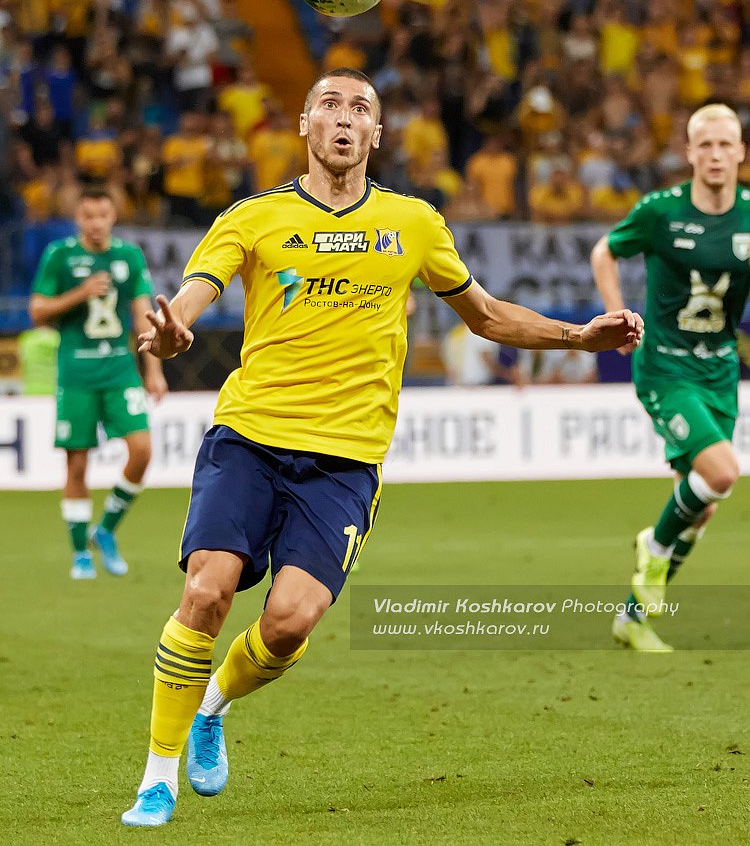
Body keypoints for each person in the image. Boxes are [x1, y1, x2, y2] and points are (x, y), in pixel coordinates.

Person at [122, 68, 643, 827]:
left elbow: (487, 315)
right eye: (329, 105)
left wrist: (578, 333)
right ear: (303, 124)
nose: (343, 118)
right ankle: (156, 777)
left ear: (377, 133)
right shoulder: (253, 217)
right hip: (250, 437)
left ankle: (213, 704)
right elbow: (194, 295)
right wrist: (173, 334)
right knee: (206, 591)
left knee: (287, 624)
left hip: (345, 459)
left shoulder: (414, 222)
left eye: (359, 108)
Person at [591, 103, 750, 653]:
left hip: (721, 370)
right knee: (723, 473)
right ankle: (653, 552)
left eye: (724, 144)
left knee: (702, 502)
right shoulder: (661, 211)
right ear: (688, 154)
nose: (714, 154)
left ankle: (632, 619)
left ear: (740, 154)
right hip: (666, 366)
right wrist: (616, 316)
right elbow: (604, 252)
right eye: (703, 145)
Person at [28, 188, 168, 580]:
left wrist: (153, 371)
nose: (95, 223)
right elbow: (37, 311)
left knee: (141, 451)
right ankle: (80, 553)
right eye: (87, 215)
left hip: (119, 370)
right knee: (77, 463)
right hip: (75, 374)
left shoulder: (127, 256)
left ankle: (105, 529)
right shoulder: (60, 255)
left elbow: (144, 317)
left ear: (113, 217)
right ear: (78, 218)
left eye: (102, 215)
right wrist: (81, 293)